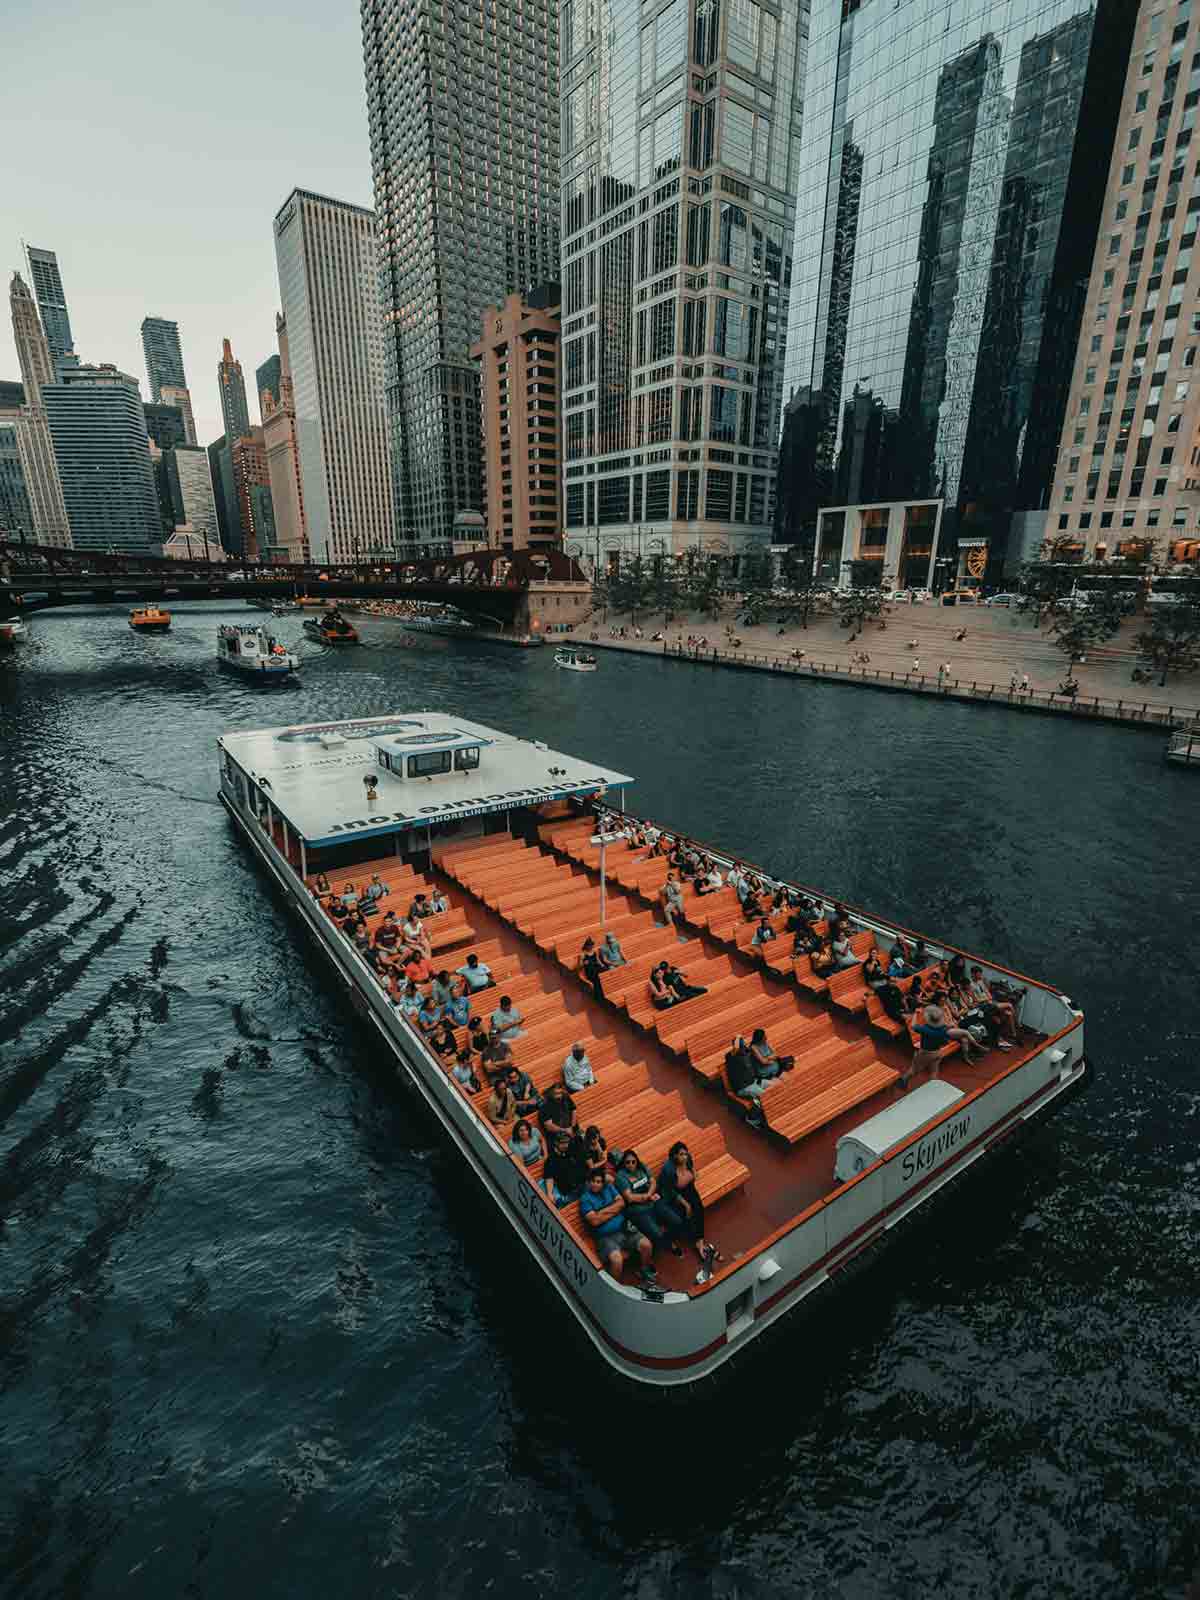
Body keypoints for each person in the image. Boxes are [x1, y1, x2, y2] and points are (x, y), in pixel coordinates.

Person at [579, 1170, 657, 1286]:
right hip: (605, 1237)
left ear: (603, 1183)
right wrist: (614, 1210)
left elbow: (621, 1203)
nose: (595, 1184)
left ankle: (644, 1269)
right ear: (589, 1182)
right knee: (617, 1260)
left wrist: (601, 1212)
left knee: (646, 1245)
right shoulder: (585, 1199)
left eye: (599, 1182)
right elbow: (595, 1221)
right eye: (593, 1181)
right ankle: (614, 1286)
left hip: (623, 1228)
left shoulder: (609, 1188)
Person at [658, 1141, 720, 1281]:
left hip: (689, 1188)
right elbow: (669, 1190)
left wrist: (693, 1174)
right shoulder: (669, 1170)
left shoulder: (688, 1159)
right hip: (676, 1194)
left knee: (699, 1208)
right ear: (674, 1156)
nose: (685, 1157)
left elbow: (692, 1170)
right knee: (687, 1214)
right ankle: (698, 1243)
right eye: (681, 1155)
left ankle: (700, 1242)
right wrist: (685, 1204)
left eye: (685, 1153)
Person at [616, 1149, 684, 1254]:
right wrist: (648, 1196)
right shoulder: (621, 1176)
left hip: (653, 1201)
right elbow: (630, 1197)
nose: (631, 1165)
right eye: (627, 1162)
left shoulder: (641, 1167)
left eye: (633, 1162)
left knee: (676, 1221)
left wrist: (649, 1194)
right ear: (623, 1163)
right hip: (638, 1210)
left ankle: (669, 1240)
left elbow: (653, 1182)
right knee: (657, 1233)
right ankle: (668, 1244)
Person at [906, 1002, 984, 1089]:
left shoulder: (925, 1029)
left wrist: (915, 1014)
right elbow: (964, 1032)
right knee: (934, 1072)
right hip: (938, 1053)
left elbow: (913, 1026)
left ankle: (904, 1080)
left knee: (913, 1070)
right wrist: (976, 1044)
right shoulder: (944, 1029)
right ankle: (933, 1087)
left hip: (925, 1053)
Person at [725, 1037, 770, 1123]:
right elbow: (730, 1056)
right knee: (764, 1095)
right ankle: (752, 1119)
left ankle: (768, 1112)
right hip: (743, 1088)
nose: (744, 1049)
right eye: (742, 1047)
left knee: (773, 1085)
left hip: (753, 1082)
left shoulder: (744, 1054)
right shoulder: (733, 1058)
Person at [544, 1133, 587, 1208]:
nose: (566, 1145)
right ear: (556, 1143)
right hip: (570, 1193)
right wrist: (550, 1194)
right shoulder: (551, 1159)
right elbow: (549, 1178)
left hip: (583, 1185)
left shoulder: (570, 1151)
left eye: (567, 1142)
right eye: (563, 1143)